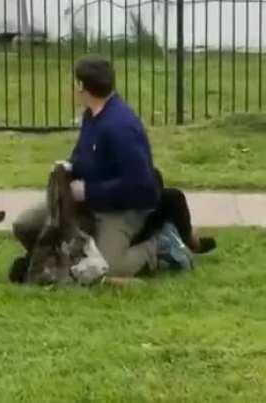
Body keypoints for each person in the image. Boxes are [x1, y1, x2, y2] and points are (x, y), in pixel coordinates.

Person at [14, 56, 163, 278]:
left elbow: (139, 184)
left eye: (75, 83)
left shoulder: (121, 127)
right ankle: (59, 260)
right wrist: (68, 168)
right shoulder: (92, 115)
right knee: (25, 226)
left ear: (82, 87)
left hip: (122, 210)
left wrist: (88, 192)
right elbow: (84, 154)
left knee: (107, 268)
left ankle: (159, 245)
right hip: (87, 202)